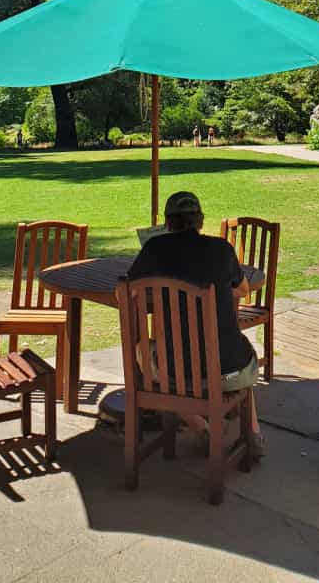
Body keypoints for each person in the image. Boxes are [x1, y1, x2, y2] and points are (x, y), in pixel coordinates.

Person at [127, 190, 265, 458]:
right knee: (239, 350)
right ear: (200, 220)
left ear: (167, 224)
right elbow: (244, 290)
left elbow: (130, 292)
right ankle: (254, 433)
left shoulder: (154, 249)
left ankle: (200, 427)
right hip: (229, 372)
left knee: (143, 352)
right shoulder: (221, 249)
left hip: (175, 375)